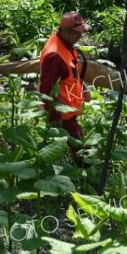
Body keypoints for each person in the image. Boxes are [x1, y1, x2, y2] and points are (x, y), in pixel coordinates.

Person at [39, 11, 92, 167]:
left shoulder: (64, 43)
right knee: (81, 151)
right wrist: (56, 117)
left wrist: (82, 86)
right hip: (63, 114)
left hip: (69, 108)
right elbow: (46, 90)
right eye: (78, 33)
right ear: (66, 31)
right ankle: (86, 178)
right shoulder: (54, 56)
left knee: (81, 143)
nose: (80, 37)